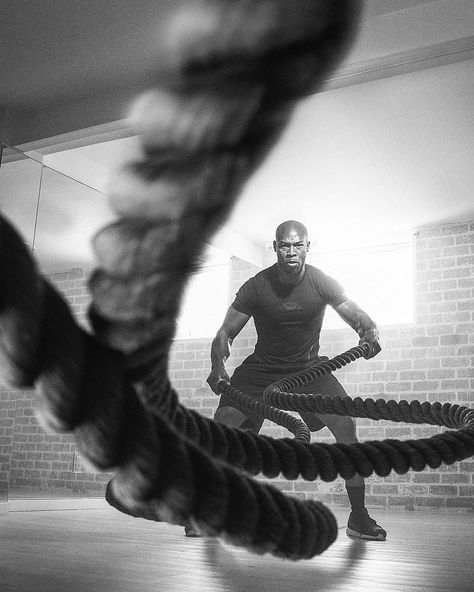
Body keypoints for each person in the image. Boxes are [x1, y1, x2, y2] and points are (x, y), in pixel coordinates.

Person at [187, 220, 386, 541]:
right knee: (223, 421)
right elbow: (225, 332)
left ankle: (359, 517)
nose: (291, 252)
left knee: (346, 425)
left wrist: (369, 329)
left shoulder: (321, 281)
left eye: (297, 245)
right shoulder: (256, 285)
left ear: (307, 246)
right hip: (261, 368)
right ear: (275, 247)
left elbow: (354, 312)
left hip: (309, 369)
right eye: (284, 245)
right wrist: (217, 365)